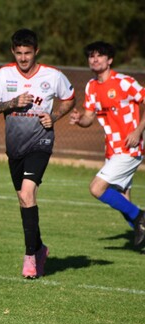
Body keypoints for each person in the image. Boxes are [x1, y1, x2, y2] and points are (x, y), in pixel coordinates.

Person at [0, 28, 75, 279]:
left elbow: (69, 99)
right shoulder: (3, 75)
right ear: (13, 51)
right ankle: (40, 248)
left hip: (41, 142)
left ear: (36, 51)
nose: (24, 58)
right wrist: (12, 103)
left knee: (27, 193)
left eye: (28, 53)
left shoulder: (52, 75)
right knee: (24, 200)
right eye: (19, 53)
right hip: (15, 147)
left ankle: (30, 257)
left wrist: (54, 116)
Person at [69, 41, 145, 247]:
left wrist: (138, 131)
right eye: (91, 56)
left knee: (96, 188)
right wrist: (79, 120)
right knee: (123, 200)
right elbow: (89, 117)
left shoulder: (124, 82)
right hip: (112, 149)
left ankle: (141, 216)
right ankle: (140, 224)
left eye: (100, 55)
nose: (95, 59)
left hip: (129, 147)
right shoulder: (91, 86)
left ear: (110, 60)